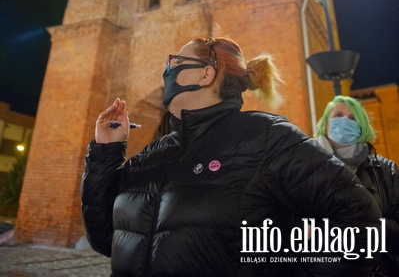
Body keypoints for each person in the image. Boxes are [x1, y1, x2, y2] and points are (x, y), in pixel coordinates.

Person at [82, 36, 381, 276]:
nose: (167, 70)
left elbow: (358, 218)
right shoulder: (153, 154)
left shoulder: (266, 137)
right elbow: (106, 238)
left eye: (175, 62)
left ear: (206, 73)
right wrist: (106, 153)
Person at [314, 95, 399, 276]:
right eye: (337, 115)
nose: (344, 121)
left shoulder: (385, 170)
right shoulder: (306, 166)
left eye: (352, 118)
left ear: (362, 127)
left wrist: (366, 225)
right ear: (326, 123)